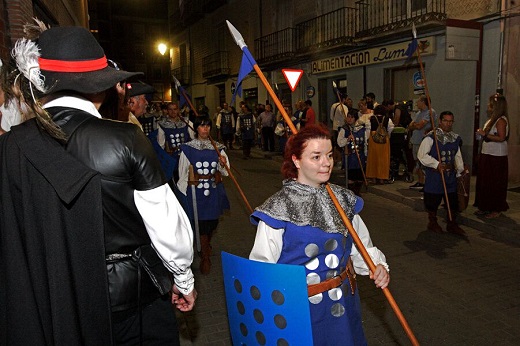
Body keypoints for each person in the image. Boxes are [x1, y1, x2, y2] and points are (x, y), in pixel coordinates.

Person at [0, 26, 197, 345]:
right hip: (130, 304)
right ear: (101, 88)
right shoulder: (127, 140)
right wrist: (184, 279)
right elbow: (168, 228)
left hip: (51, 303)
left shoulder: (10, 148)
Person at [249, 124, 389, 346]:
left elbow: (362, 246)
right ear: (296, 161)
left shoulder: (343, 200)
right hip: (298, 310)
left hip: (343, 304)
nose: (327, 162)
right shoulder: (278, 208)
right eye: (316, 157)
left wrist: (376, 267)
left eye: (330, 155)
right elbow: (262, 269)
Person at [177, 116, 230, 274]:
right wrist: (182, 195)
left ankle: (205, 245)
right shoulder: (188, 148)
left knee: (212, 223)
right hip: (195, 193)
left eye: (208, 126)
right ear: (196, 128)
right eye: (202, 126)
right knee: (200, 225)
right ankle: (205, 255)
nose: (205, 129)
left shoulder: (218, 148)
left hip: (213, 191)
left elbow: (226, 172)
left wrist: (222, 163)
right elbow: (183, 173)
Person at [418, 111, 465, 235]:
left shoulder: (455, 138)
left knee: (452, 201)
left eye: (450, 121)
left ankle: (452, 224)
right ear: (440, 121)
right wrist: (436, 164)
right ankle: (432, 222)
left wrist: (460, 171)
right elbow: (421, 155)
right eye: (445, 121)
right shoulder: (431, 137)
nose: (448, 124)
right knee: (433, 200)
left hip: (450, 175)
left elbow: (457, 155)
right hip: (435, 175)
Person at [474, 93, 510, 219]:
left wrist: (485, 135)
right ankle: (485, 206)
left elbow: (501, 137)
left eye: (490, 104)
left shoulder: (501, 120)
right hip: (487, 153)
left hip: (496, 155)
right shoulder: (492, 119)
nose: (487, 106)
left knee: (494, 182)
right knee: (485, 181)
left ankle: (496, 208)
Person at [408, 95, 437, 191]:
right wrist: (415, 125)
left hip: (423, 140)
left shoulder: (430, 112)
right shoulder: (418, 113)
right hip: (416, 140)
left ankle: (426, 182)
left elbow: (420, 125)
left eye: (418, 101)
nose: (416, 103)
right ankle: (421, 181)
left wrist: (416, 125)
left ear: (423, 102)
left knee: (423, 162)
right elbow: (411, 126)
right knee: (417, 161)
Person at [337, 109, 367, 196]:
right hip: (350, 157)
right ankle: (352, 194)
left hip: (360, 157)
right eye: (348, 117)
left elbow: (365, 143)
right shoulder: (345, 129)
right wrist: (347, 139)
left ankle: (357, 193)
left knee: (359, 177)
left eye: (352, 117)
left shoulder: (362, 129)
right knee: (351, 177)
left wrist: (366, 155)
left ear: (356, 118)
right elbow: (339, 142)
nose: (349, 119)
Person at [366, 105, 394, 184]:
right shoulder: (387, 119)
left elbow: (368, 130)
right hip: (384, 140)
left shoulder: (371, 119)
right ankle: (382, 178)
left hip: (373, 139)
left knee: (373, 158)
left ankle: (373, 177)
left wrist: (368, 139)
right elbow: (391, 128)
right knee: (383, 159)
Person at [330, 94, 349, 164]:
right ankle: (340, 160)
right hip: (341, 127)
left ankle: (335, 160)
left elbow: (331, 117)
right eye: (347, 99)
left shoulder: (333, 106)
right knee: (341, 144)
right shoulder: (344, 107)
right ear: (344, 99)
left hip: (335, 127)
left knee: (335, 145)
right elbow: (346, 118)